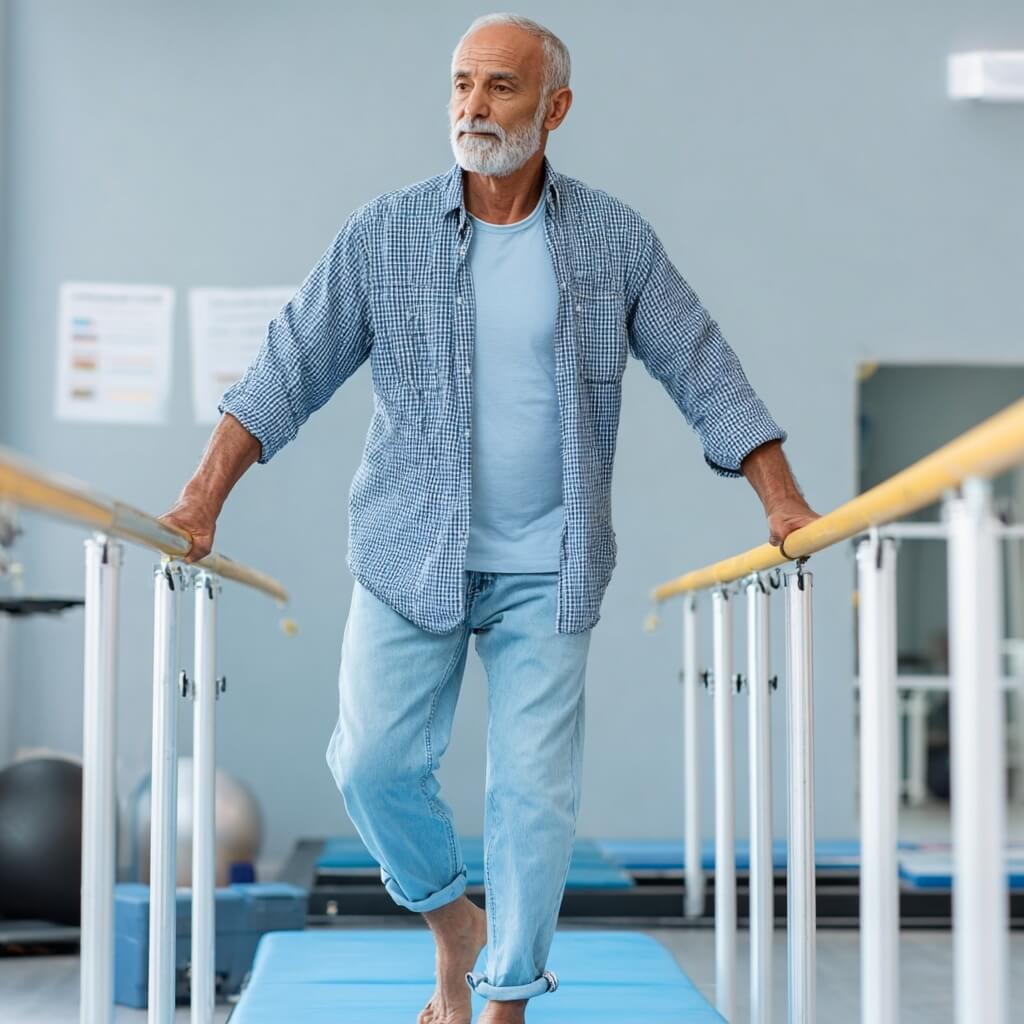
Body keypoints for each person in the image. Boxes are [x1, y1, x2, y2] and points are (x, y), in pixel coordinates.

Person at [159, 12, 819, 1024]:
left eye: (501, 86)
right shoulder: (385, 233)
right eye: (462, 83)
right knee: (371, 763)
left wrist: (778, 496)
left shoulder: (612, 241)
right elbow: (287, 365)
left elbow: (702, 363)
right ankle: (451, 922)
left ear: (553, 108)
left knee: (533, 796)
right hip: (406, 550)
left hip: (547, 564)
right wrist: (203, 496)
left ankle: (503, 996)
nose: (474, 105)